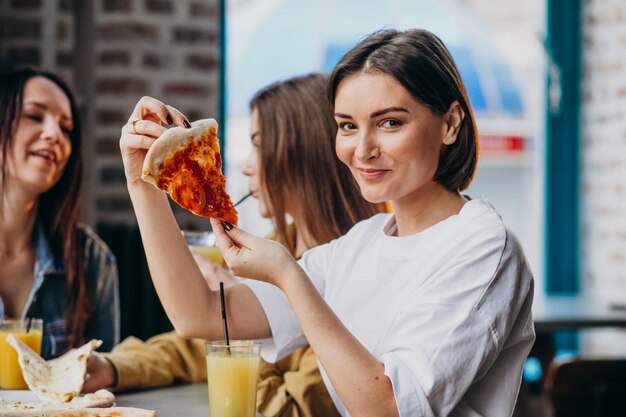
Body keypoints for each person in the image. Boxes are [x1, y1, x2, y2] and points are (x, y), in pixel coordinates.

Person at [119, 29, 535, 417]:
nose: (363, 149)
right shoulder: (362, 243)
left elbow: (388, 408)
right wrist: (143, 185)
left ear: (450, 123)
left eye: (390, 122)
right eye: (347, 127)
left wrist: (287, 274)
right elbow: (201, 315)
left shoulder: (482, 245)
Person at [85, 74, 379, 417]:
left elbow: (288, 409)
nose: (248, 167)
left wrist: (231, 303)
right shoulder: (277, 244)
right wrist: (114, 366)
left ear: (303, 154)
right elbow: (194, 343)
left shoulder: (349, 271)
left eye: (258, 145)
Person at [0, 67, 120, 359]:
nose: (54, 134)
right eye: (34, 116)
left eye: (66, 128)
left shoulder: (92, 259)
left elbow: (100, 385)